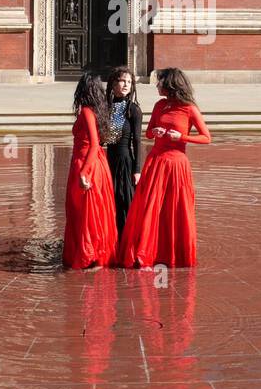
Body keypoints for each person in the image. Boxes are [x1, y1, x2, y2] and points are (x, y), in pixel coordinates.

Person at [114, 68, 210, 269]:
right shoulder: (159, 106)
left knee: (173, 209)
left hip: (176, 164)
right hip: (156, 161)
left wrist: (181, 137)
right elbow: (148, 133)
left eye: (160, 82)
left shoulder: (189, 108)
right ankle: (145, 253)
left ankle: (172, 253)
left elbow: (206, 138)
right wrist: (155, 131)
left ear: (170, 85)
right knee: (150, 208)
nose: (157, 85)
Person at [64, 71, 117, 270]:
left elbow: (94, 144)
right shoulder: (98, 110)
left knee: (82, 213)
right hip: (97, 163)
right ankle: (95, 253)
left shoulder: (86, 111)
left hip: (86, 163)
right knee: (94, 212)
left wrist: (83, 174)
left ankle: (89, 256)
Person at [102, 67, 143, 236]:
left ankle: (126, 240)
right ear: (113, 84)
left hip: (126, 161)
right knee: (109, 201)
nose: (126, 85)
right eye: (122, 81)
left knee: (124, 201)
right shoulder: (105, 107)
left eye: (129, 82)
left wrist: (137, 170)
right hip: (108, 161)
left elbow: (137, 140)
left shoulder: (133, 109)